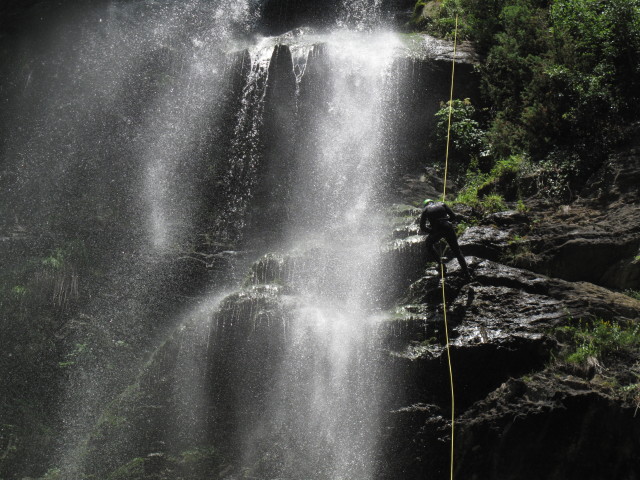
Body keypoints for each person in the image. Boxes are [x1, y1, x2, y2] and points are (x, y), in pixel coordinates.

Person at [419, 198, 471, 279]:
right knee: (457, 251)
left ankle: (441, 265)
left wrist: (431, 231)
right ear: (432, 202)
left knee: (428, 244)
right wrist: (446, 221)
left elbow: (422, 227)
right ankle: (467, 273)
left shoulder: (425, 210)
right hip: (448, 227)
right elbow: (453, 216)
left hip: (437, 230)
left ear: (425, 204)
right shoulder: (442, 204)